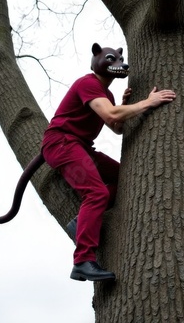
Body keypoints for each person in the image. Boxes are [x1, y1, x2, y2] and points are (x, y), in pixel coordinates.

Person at [41, 43, 176, 281]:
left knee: (126, 177)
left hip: (81, 147)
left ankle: (80, 222)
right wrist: (147, 102)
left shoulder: (108, 95)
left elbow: (116, 126)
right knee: (96, 193)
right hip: (62, 143)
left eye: (120, 59)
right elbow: (111, 115)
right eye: (112, 59)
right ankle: (82, 261)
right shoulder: (88, 84)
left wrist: (123, 105)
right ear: (96, 59)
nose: (119, 64)